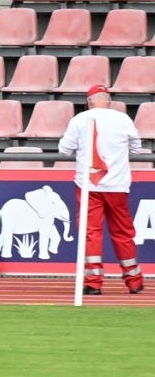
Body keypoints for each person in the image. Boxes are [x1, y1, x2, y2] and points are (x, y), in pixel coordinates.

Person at [57, 84, 144, 295]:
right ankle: (134, 281)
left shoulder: (80, 119)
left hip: (89, 184)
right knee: (123, 232)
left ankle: (93, 282)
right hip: (117, 184)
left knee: (91, 233)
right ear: (109, 100)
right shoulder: (123, 119)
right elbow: (136, 148)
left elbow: (64, 149)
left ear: (89, 101)